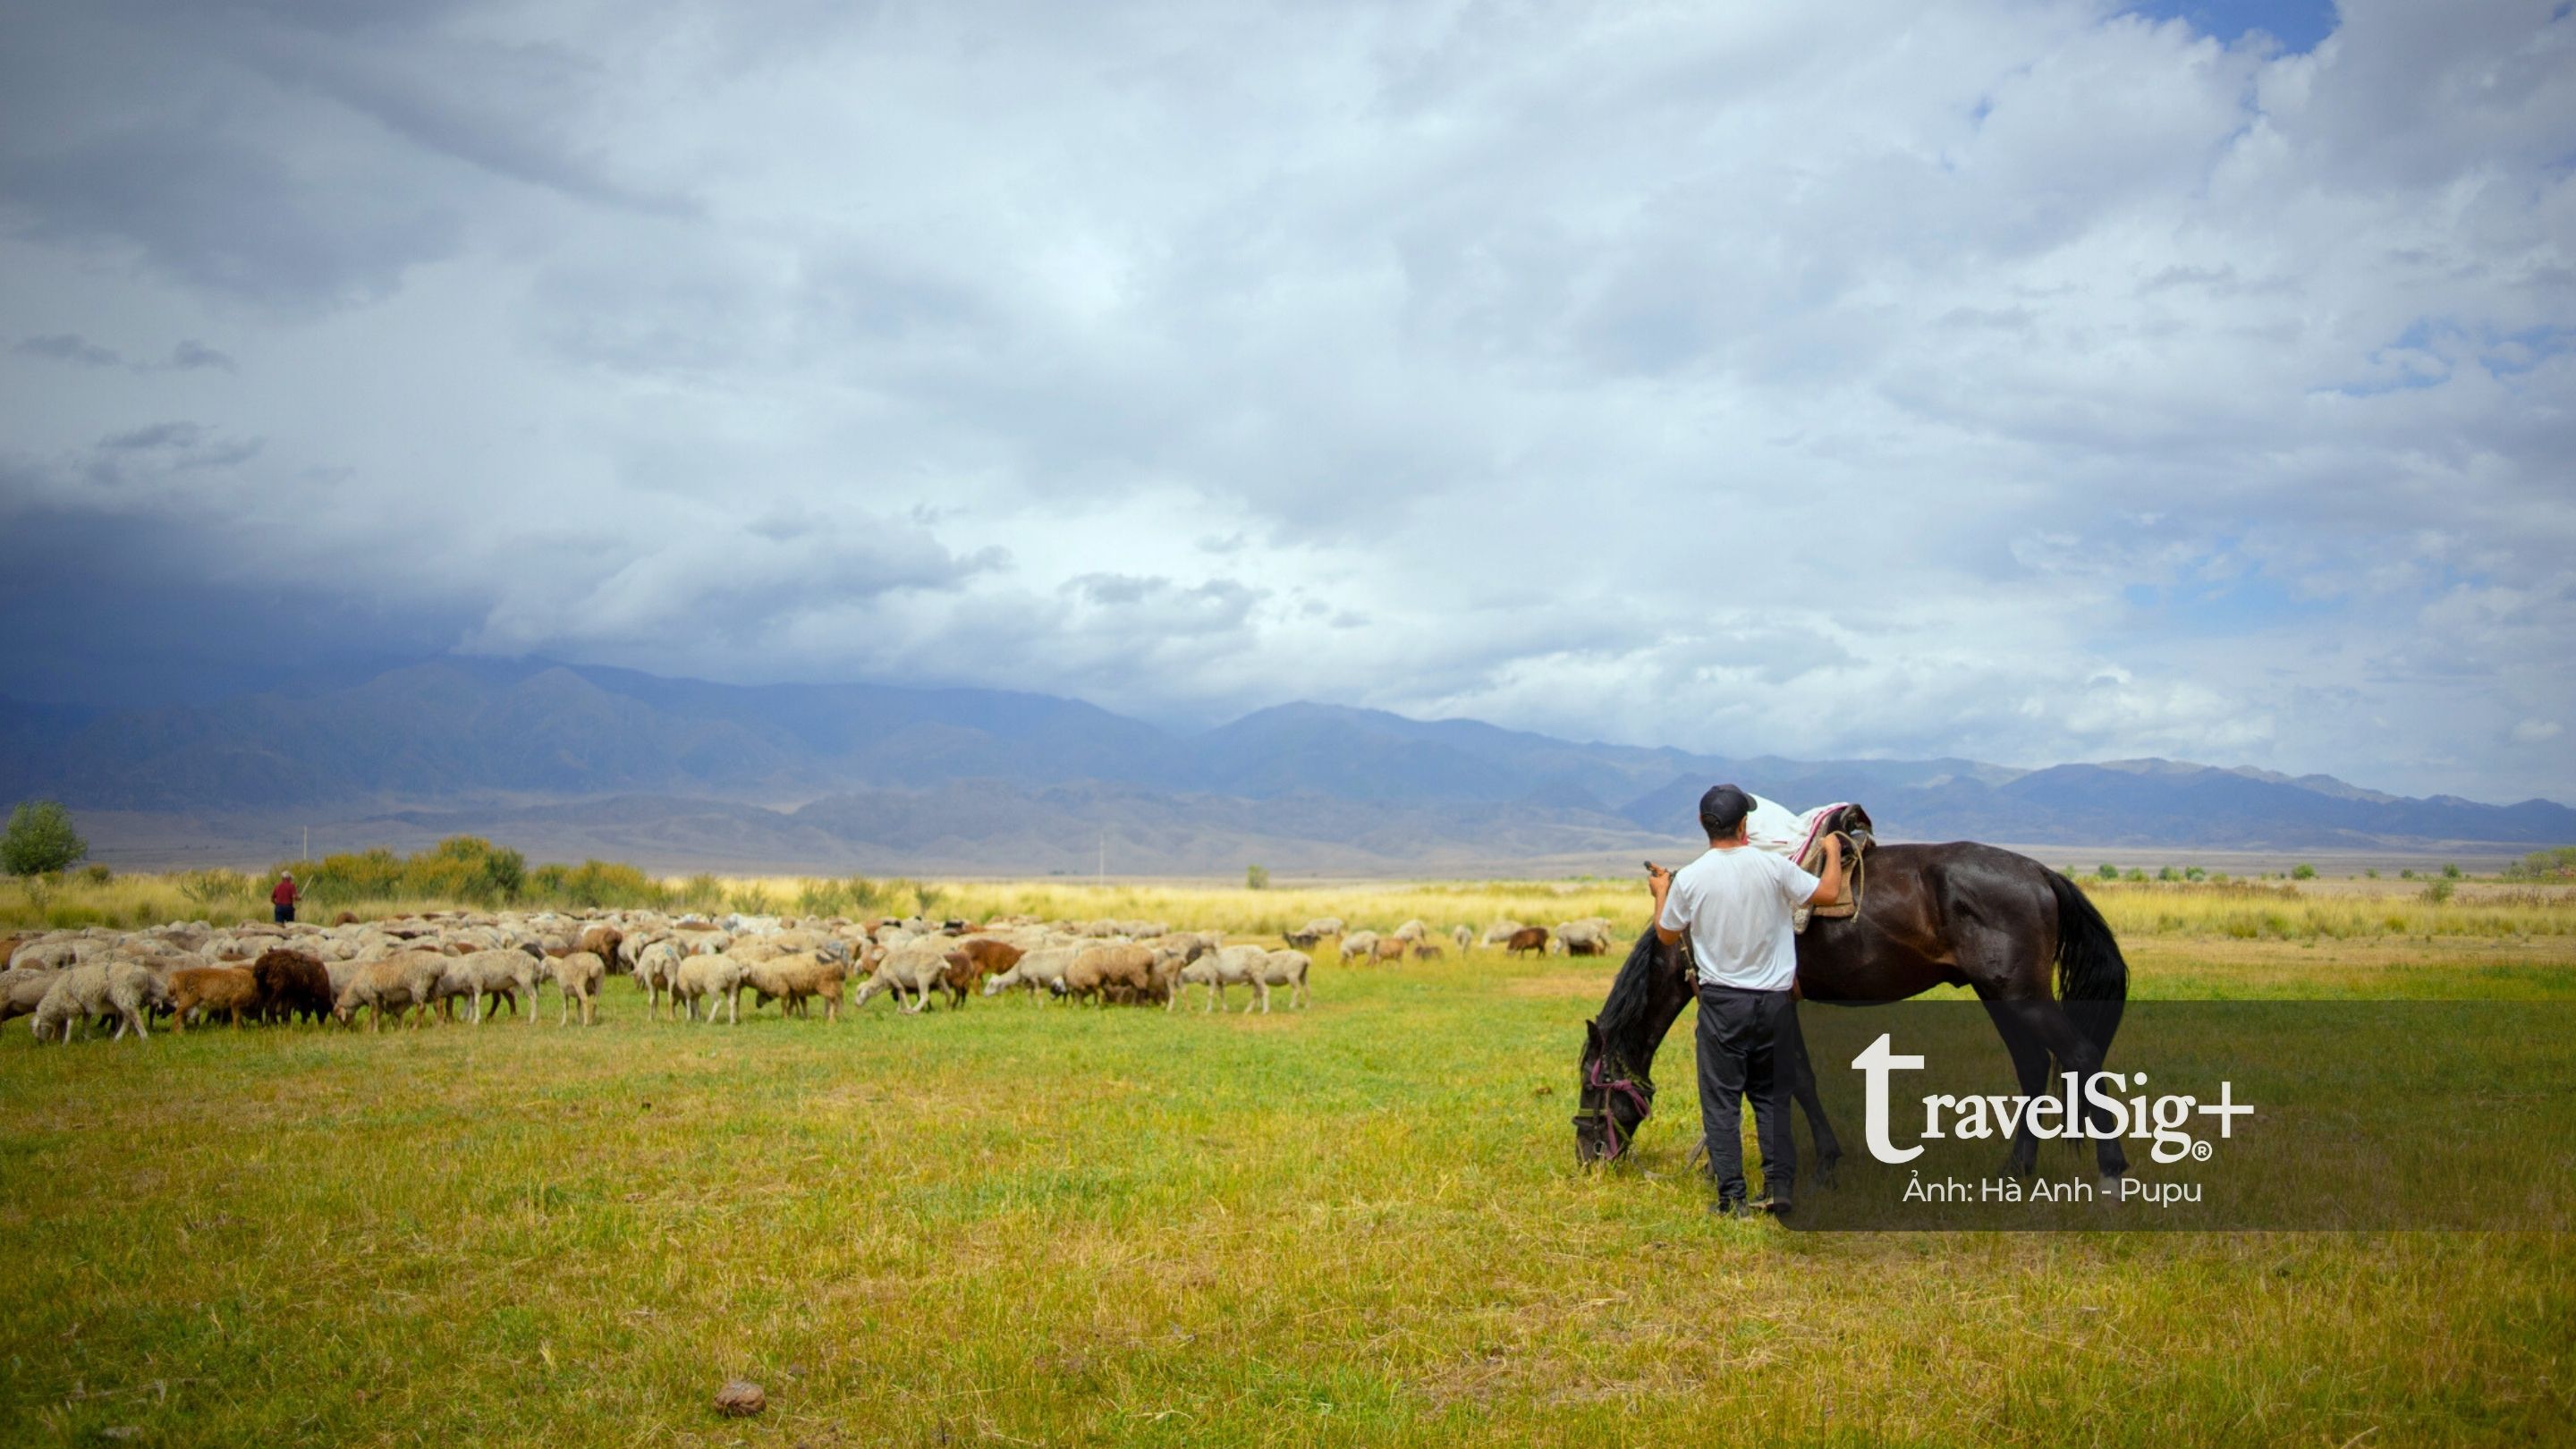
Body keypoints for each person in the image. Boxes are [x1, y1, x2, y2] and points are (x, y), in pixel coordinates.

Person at [1648, 784, 1843, 1218]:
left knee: (1722, 1104)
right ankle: (1779, 1188)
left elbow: (1665, 934)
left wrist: (1661, 889)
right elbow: (1828, 894)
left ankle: (1732, 1198)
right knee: (1772, 1098)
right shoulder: (1774, 868)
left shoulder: (1693, 878)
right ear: (1744, 825)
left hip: (1722, 1006)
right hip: (1774, 1005)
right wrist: (1829, 850)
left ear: (1703, 824)